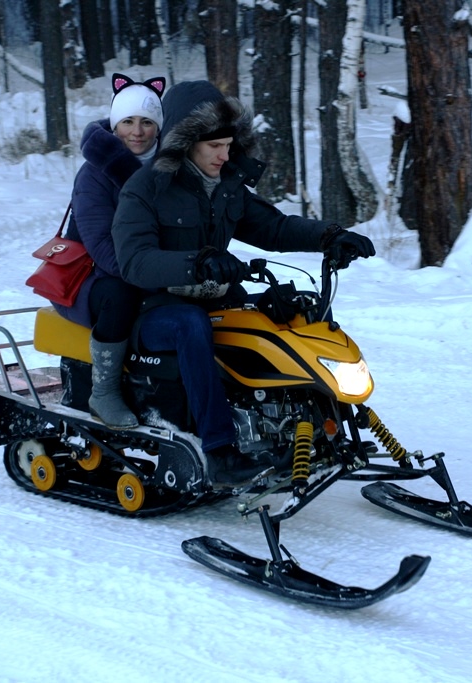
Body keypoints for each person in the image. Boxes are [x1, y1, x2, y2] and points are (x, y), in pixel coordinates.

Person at [111, 80, 375, 486]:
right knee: (192, 325)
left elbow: (275, 227)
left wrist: (330, 236)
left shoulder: (225, 186)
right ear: (187, 141)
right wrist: (197, 264)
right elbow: (135, 262)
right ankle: (220, 453)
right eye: (214, 145)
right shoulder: (145, 189)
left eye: (229, 144)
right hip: (154, 310)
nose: (225, 154)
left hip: (215, 295)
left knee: (284, 313)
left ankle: (312, 427)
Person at [53, 73, 166, 430]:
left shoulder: (171, 167)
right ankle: (104, 392)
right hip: (89, 278)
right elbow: (101, 247)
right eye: (128, 121)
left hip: (146, 268)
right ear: (115, 124)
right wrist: (160, 275)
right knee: (120, 296)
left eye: (147, 122)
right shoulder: (94, 174)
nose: (137, 131)